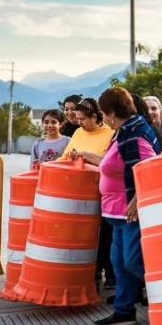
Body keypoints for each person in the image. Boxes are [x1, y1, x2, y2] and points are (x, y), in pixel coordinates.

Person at [68, 87, 162, 325]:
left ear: (111, 113)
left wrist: (136, 200)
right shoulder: (123, 132)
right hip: (116, 212)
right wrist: (87, 156)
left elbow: (151, 168)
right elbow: (111, 164)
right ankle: (124, 310)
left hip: (130, 211)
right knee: (119, 262)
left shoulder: (135, 134)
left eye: (103, 113)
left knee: (132, 261)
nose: (103, 117)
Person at [58, 97, 117, 291]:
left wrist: (85, 155)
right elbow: (65, 157)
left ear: (95, 116)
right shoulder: (78, 132)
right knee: (84, 234)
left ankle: (109, 273)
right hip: (77, 192)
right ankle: (91, 271)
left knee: (106, 234)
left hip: (101, 191)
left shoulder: (110, 134)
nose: (79, 122)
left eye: (82, 119)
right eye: (78, 118)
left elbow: (109, 162)